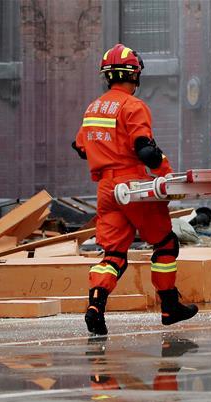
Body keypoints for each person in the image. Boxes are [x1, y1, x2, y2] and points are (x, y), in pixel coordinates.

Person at [73, 44, 197, 335]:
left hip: (106, 189)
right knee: (165, 244)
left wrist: (106, 153)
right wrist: (167, 175)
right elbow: (146, 152)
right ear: (135, 74)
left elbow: (80, 147)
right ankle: (169, 306)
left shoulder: (93, 108)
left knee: (114, 255)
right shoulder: (133, 106)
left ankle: (95, 306)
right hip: (132, 187)